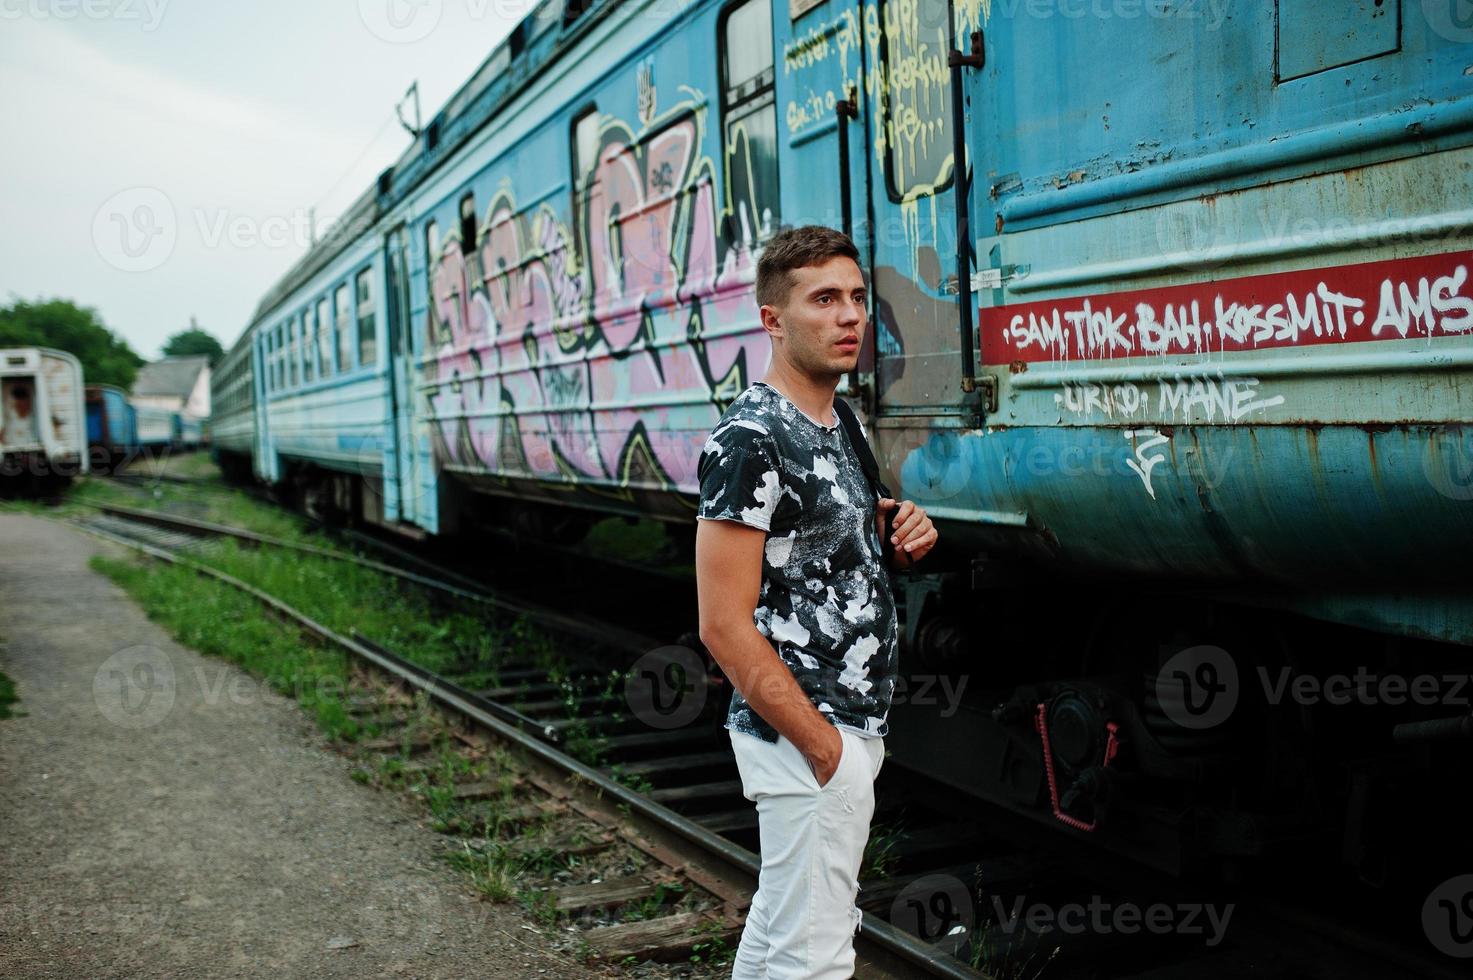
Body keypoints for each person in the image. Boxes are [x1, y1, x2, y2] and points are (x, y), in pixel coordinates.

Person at [694, 225, 938, 979]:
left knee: (778, 935)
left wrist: (902, 531)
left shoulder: (839, 422)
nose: (849, 317)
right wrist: (825, 753)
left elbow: (828, 544)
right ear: (772, 319)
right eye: (823, 299)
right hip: (805, 731)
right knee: (818, 959)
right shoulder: (750, 439)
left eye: (857, 298)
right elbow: (721, 624)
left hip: (845, 723)